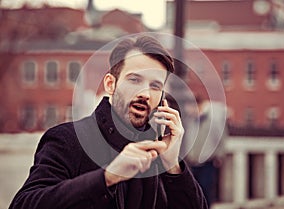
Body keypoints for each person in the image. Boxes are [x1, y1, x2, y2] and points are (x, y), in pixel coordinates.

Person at [9, 35, 208, 209]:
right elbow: (24, 203)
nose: (145, 94)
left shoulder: (160, 155)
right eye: (134, 80)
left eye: (155, 86)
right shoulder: (68, 139)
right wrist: (107, 177)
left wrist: (173, 166)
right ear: (110, 84)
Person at [184, 95, 228, 208]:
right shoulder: (190, 120)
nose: (188, 111)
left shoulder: (212, 119)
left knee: (205, 189)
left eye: (190, 107)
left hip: (209, 161)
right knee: (192, 190)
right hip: (192, 161)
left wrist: (219, 155)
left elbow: (221, 137)